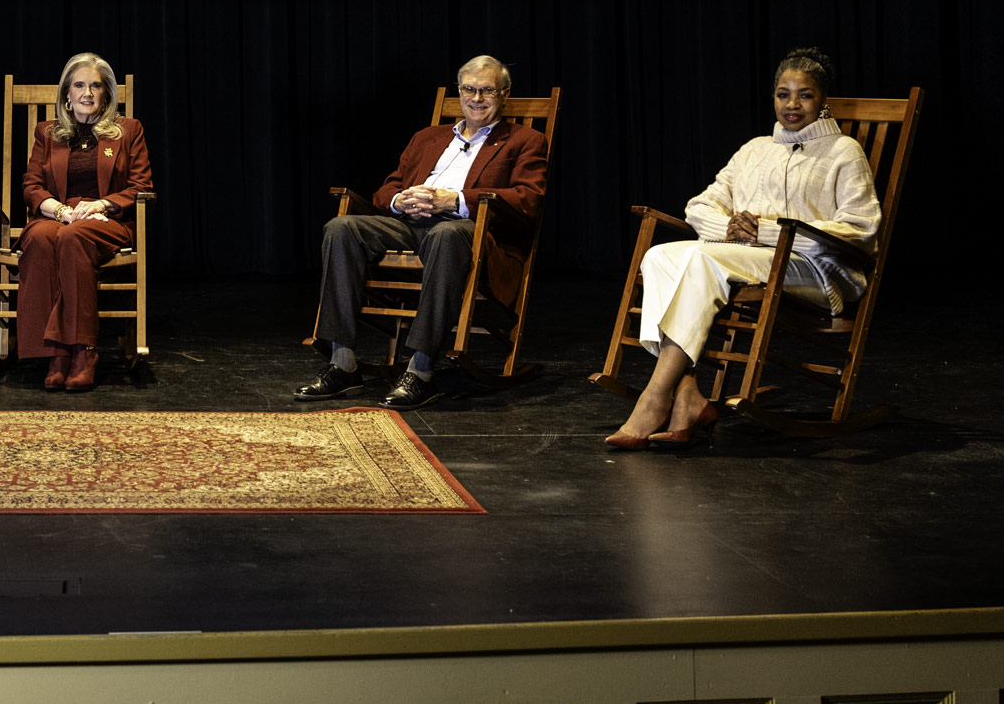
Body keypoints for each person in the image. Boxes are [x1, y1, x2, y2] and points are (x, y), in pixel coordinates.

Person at [604, 47, 882, 449]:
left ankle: (655, 397)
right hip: (748, 260)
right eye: (783, 94)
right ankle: (686, 393)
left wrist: (763, 232)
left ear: (823, 100)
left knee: (700, 259)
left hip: (813, 270)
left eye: (804, 95)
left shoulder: (843, 151)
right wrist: (730, 228)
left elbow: (860, 229)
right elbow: (699, 206)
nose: (792, 104)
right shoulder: (755, 149)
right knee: (658, 256)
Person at [295, 54, 548, 411]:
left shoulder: (526, 140)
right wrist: (400, 200)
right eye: (469, 89)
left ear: (504, 94)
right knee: (342, 227)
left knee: (448, 234)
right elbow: (386, 189)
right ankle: (342, 363)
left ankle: (421, 369)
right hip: (410, 226)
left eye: (487, 90)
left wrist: (455, 200)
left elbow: (528, 199)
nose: (476, 98)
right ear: (459, 92)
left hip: (471, 233)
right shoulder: (427, 137)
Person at [16, 51, 153, 391]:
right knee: (40, 238)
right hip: (59, 214)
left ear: (107, 93)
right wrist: (61, 211)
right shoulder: (47, 132)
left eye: (95, 86)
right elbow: (32, 186)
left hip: (106, 220)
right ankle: (56, 353)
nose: (87, 93)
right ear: (67, 92)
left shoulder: (128, 131)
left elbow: (141, 187)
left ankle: (82, 351)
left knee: (73, 237)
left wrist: (101, 205)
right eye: (79, 85)